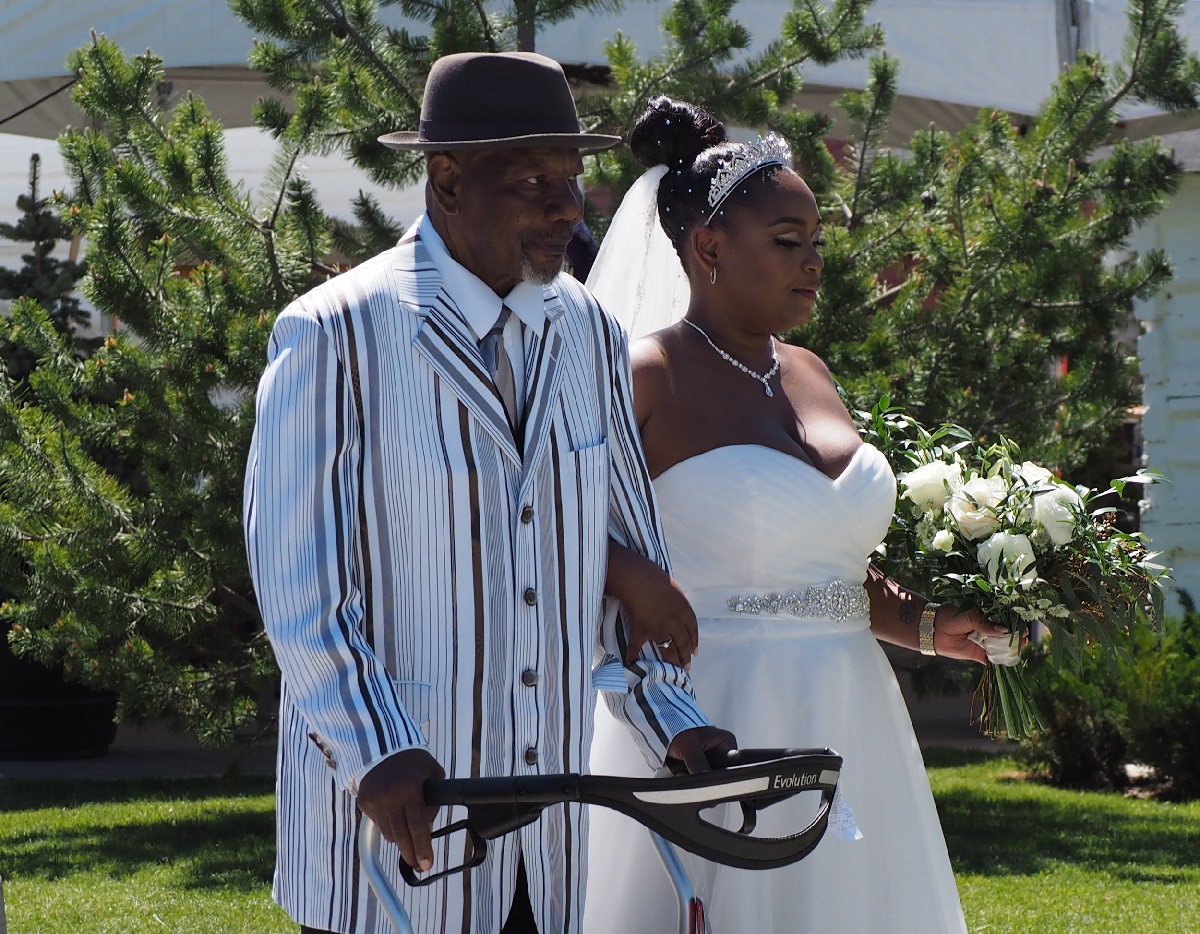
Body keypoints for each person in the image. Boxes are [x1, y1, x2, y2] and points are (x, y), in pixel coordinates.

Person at [243, 59, 734, 934]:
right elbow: (301, 590)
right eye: (534, 182)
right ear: (446, 179)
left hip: (543, 851)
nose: (566, 208)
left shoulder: (589, 333)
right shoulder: (334, 334)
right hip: (394, 842)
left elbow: (619, 553)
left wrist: (671, 718)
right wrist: (377, 751)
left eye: (572, 180)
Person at [583, 96, 1005, 934]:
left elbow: (825, 566)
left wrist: (927, 627)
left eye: (817, 243)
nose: (814, 263)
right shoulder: (643, 375)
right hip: (717, 720)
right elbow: (553, 534)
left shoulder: (810, 369)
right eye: (787, 243)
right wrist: (625, 573)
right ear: (707, 247)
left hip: (854, 709)